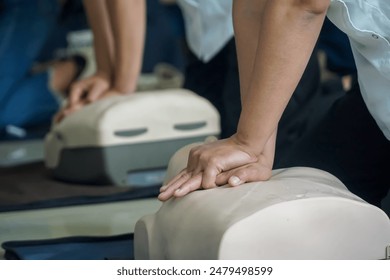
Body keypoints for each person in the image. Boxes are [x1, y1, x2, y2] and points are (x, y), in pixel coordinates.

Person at [158, 0, 390, 210]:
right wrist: (258, 151)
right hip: (376, 89)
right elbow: (254, 6)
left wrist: (246, 143)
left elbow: (302, 3)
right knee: (299, 201)